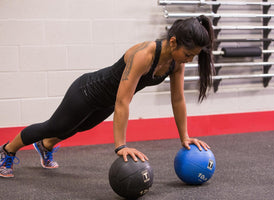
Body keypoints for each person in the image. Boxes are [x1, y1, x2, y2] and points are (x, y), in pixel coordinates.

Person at [0, 15, 215, 178]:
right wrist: (121, 145)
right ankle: (8, 151)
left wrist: (184, 137)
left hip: (107, 101)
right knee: (54, 126)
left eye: (193, 56)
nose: (189, 60)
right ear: (173, 42)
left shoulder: (176, 63)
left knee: (75, 128)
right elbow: (124, 100)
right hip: (87, 91)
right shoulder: (145, 54)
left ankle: (45, 146)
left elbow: (177, 99)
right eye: (188, 55)